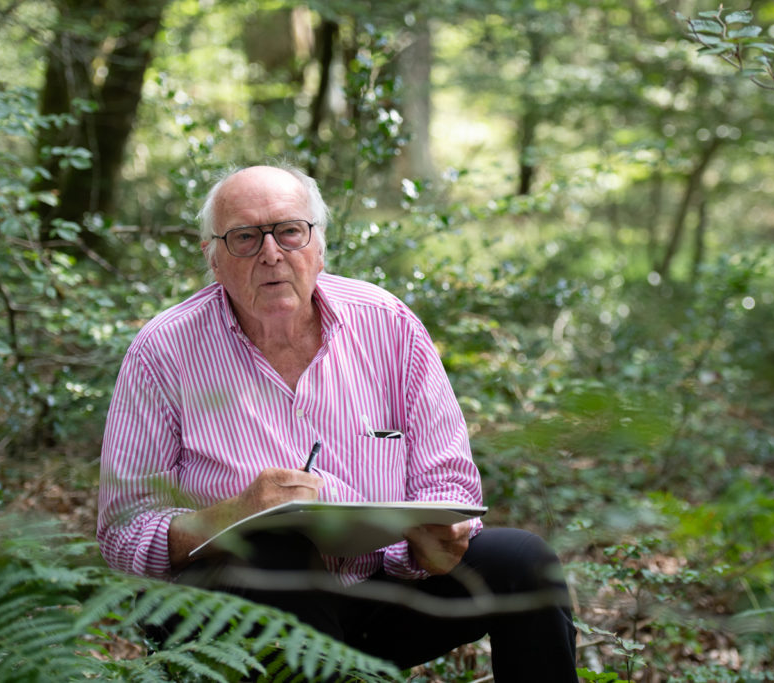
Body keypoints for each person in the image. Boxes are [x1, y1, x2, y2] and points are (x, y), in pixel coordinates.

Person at [96, 164, 578, 681]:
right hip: (230, 611)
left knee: (524, 561)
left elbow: (449, 484)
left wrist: (436, 541)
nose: (271, 253)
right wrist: (232, 515)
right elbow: (123, 535)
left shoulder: (387, 324)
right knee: (276, 551)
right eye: (244, 238)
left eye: (288, 231)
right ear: (213, 258)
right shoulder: (163, 351)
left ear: (318, 245)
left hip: (375, 593)